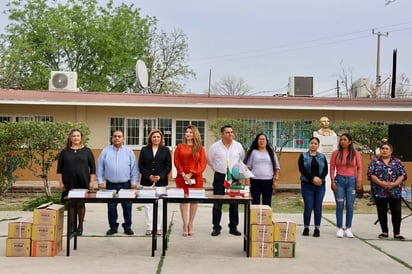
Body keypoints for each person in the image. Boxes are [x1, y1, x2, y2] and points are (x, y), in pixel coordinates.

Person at [96, 130, 139, 236]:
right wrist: (100, 182)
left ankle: (127, 227)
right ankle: (113, 227)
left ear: (123, 139)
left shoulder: (129, 152)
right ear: (112, 138)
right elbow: (100, 167)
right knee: (111, 207)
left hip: (126, 184)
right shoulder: (105, 151)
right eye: (115, 136)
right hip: (110, 184)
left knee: (127, 207)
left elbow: (134, 168)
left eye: (119, 136)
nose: (117, 138)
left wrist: (134, 183)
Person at [207, 125, 245, 237]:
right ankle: (216, 227)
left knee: (234, 203)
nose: (230, 134)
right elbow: (210, 160)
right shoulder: (215, 146)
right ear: (222, 134)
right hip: (220, 176)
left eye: (232, 132)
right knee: (217, 202)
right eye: (227, 132)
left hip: (234, 177)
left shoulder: (238, 146)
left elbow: (242, 159)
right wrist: (218, 169)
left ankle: (233, 227)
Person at [57, 128, 96, 236]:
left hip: (82, 181)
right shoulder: (64, 152)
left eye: (78, 136)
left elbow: (93, 168)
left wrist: (92, 182)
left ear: (81, 138)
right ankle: (72, 227)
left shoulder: (87, 151)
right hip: (68, 182)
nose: (76, 138)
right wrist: (61, 183)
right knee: (71, 205)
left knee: (80, 205)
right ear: (70, 138)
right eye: (73, 136)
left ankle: (80, 227)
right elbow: (59, 169)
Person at [367, 142, 407, 240]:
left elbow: (402, 175)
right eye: (382, 148)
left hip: (395, 192)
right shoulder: (375, 162)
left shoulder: (397, 162)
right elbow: (371, 175)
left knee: (396, 211)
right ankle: (384, 232)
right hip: (380, 191)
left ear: (391, 151)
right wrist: (382, 184)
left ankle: (397, 233)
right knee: (382, 212)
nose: (384, 150)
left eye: (386, 149)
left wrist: (394, 184)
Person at [174, 125, 207, 236]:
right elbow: (177, 161)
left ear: (195, 134)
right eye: (187, 132)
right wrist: (183, 174)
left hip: (196, 178)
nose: (188, 134)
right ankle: (184, 223)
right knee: (183, 201)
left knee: (194, 201)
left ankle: (191, 223)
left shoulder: (200, 148)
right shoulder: (179, 147)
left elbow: (202, 164)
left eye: (190, 132)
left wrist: (191, 173)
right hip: (182, 178)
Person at [139, 129, 171, 236]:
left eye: (158, 137)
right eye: (154, 137)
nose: (156, 139)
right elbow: (141, 165)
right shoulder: (144, 150)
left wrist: (160, 176)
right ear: (150, 138)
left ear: (161, 138)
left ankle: (158, 228)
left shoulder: (165, 150)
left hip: (161, 182)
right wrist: (149, 176)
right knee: (148, 205)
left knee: (160, 205)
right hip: (147, 181)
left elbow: (168, 166)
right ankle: (149, 227)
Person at [330, 133, 362, 238]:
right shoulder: (336, 153)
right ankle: (339, 228)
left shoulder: (355, 153)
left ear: (349, 142)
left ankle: (348, 228)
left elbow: (359, 168)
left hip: (351, 181)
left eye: (344, 139)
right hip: (339, 180)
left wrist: (359, 181)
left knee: (349, 206)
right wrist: (332, 181)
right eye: (341, 140)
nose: (342, 141)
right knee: (339, 205)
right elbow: (332, 168)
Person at [298, 137, 328, 237]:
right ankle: (306, 227)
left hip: (320, 185)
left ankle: (317, 228)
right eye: (311, 143)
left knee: (318, 207)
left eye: (315, 143)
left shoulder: (322, 157)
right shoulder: (303, 156)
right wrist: (313, 179)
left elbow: (325, 170)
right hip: (307, 185)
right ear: (309, 144)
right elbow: (302, 169)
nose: (313, 145)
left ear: (318, 145)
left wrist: (320, 179)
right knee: (308, 206)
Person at [244, 132, 280, 207]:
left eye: (263, 139)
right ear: (257, 141)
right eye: (260, 139)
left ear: (266, 141)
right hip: (255, 181)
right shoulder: (253, 152)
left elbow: (277, 168)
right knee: (255, 203)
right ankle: (254, 219)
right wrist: (247, 180)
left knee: (267, 204)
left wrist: (276, 181)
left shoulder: (271, 153)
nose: (262, 141)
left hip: (268, 182)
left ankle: (265, 219)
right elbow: (247, 167)